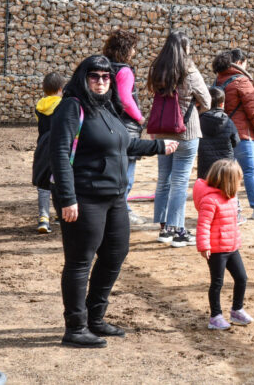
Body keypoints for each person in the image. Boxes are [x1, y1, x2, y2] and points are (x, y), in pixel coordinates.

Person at [48, 55, 178, 348]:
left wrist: (159, 146)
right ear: (83, 77)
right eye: (94, 76)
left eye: (106, 77)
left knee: (114, 255)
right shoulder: (72, 107)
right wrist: (68, 199)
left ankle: (96, 318)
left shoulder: (107, 107)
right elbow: (59, 154)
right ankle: (75, 327)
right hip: (84, 196)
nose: (101, 81)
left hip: (115, 196)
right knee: (80, 262)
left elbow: (124, 143)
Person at [147, 30, 211, 247]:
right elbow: (207, 101)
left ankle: (163, 229)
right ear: (185, 47)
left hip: (162, 133)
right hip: (186, 132)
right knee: (180, 181)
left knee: (164, 179)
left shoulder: (158, 71)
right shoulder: (189, 71)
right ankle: (178, 231)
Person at [212, 49, 254, 220]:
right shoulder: (241, 80)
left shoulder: (218, 80)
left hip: (222, 133)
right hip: (242, 135)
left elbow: (236, 99)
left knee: (228, 174)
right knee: (249, 172)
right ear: (240, 63)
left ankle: (232, 210)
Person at [193, 159, 253, 331]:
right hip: (217, 250)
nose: (240, 184)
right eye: (238, 180)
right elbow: (203, 225)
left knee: (242, 278)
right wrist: (204, 246)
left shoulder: (232, 198)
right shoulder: (210, 200)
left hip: (232, 247)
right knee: (217, 283)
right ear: (229, 181)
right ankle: (215, 316)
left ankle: (237, 309)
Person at [102, 29, 146, 226]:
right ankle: (123, 210)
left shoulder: (103, 66)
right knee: (127, 171)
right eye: (133, 48)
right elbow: (126, 99)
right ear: (126, 50)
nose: (135, 52)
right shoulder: (125, 71)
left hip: (106, 123)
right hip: (126, 126)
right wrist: (140, 118)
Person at [35, 71, 66, 234]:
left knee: (43, 184)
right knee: (61, 180)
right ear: (61, 89)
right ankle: (61, 215)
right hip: (60, 146)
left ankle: (43, 218)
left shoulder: (39, 106)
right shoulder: (64, 105)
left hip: (42, 147)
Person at [197, 87, 240, 180]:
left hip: (205, 166)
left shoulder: (199, 121)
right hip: (225, 166)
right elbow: (236, 142)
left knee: (206, 190)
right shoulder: (228, 122)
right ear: (222, 104)